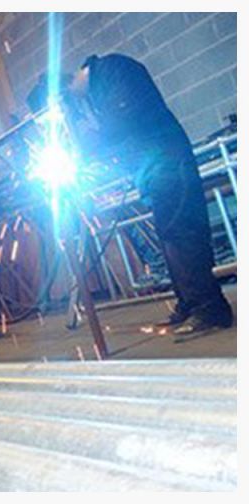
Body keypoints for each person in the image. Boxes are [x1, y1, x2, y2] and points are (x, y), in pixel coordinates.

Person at [67, 53, 233, 338]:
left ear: (77, 77)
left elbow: (125, 115)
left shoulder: (112, 69)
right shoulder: (100, 86)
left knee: (182, 236)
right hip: (155, 170)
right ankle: (189, 304)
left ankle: (211, 309)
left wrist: (91, 143)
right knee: (170, 238)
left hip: (169, 164)